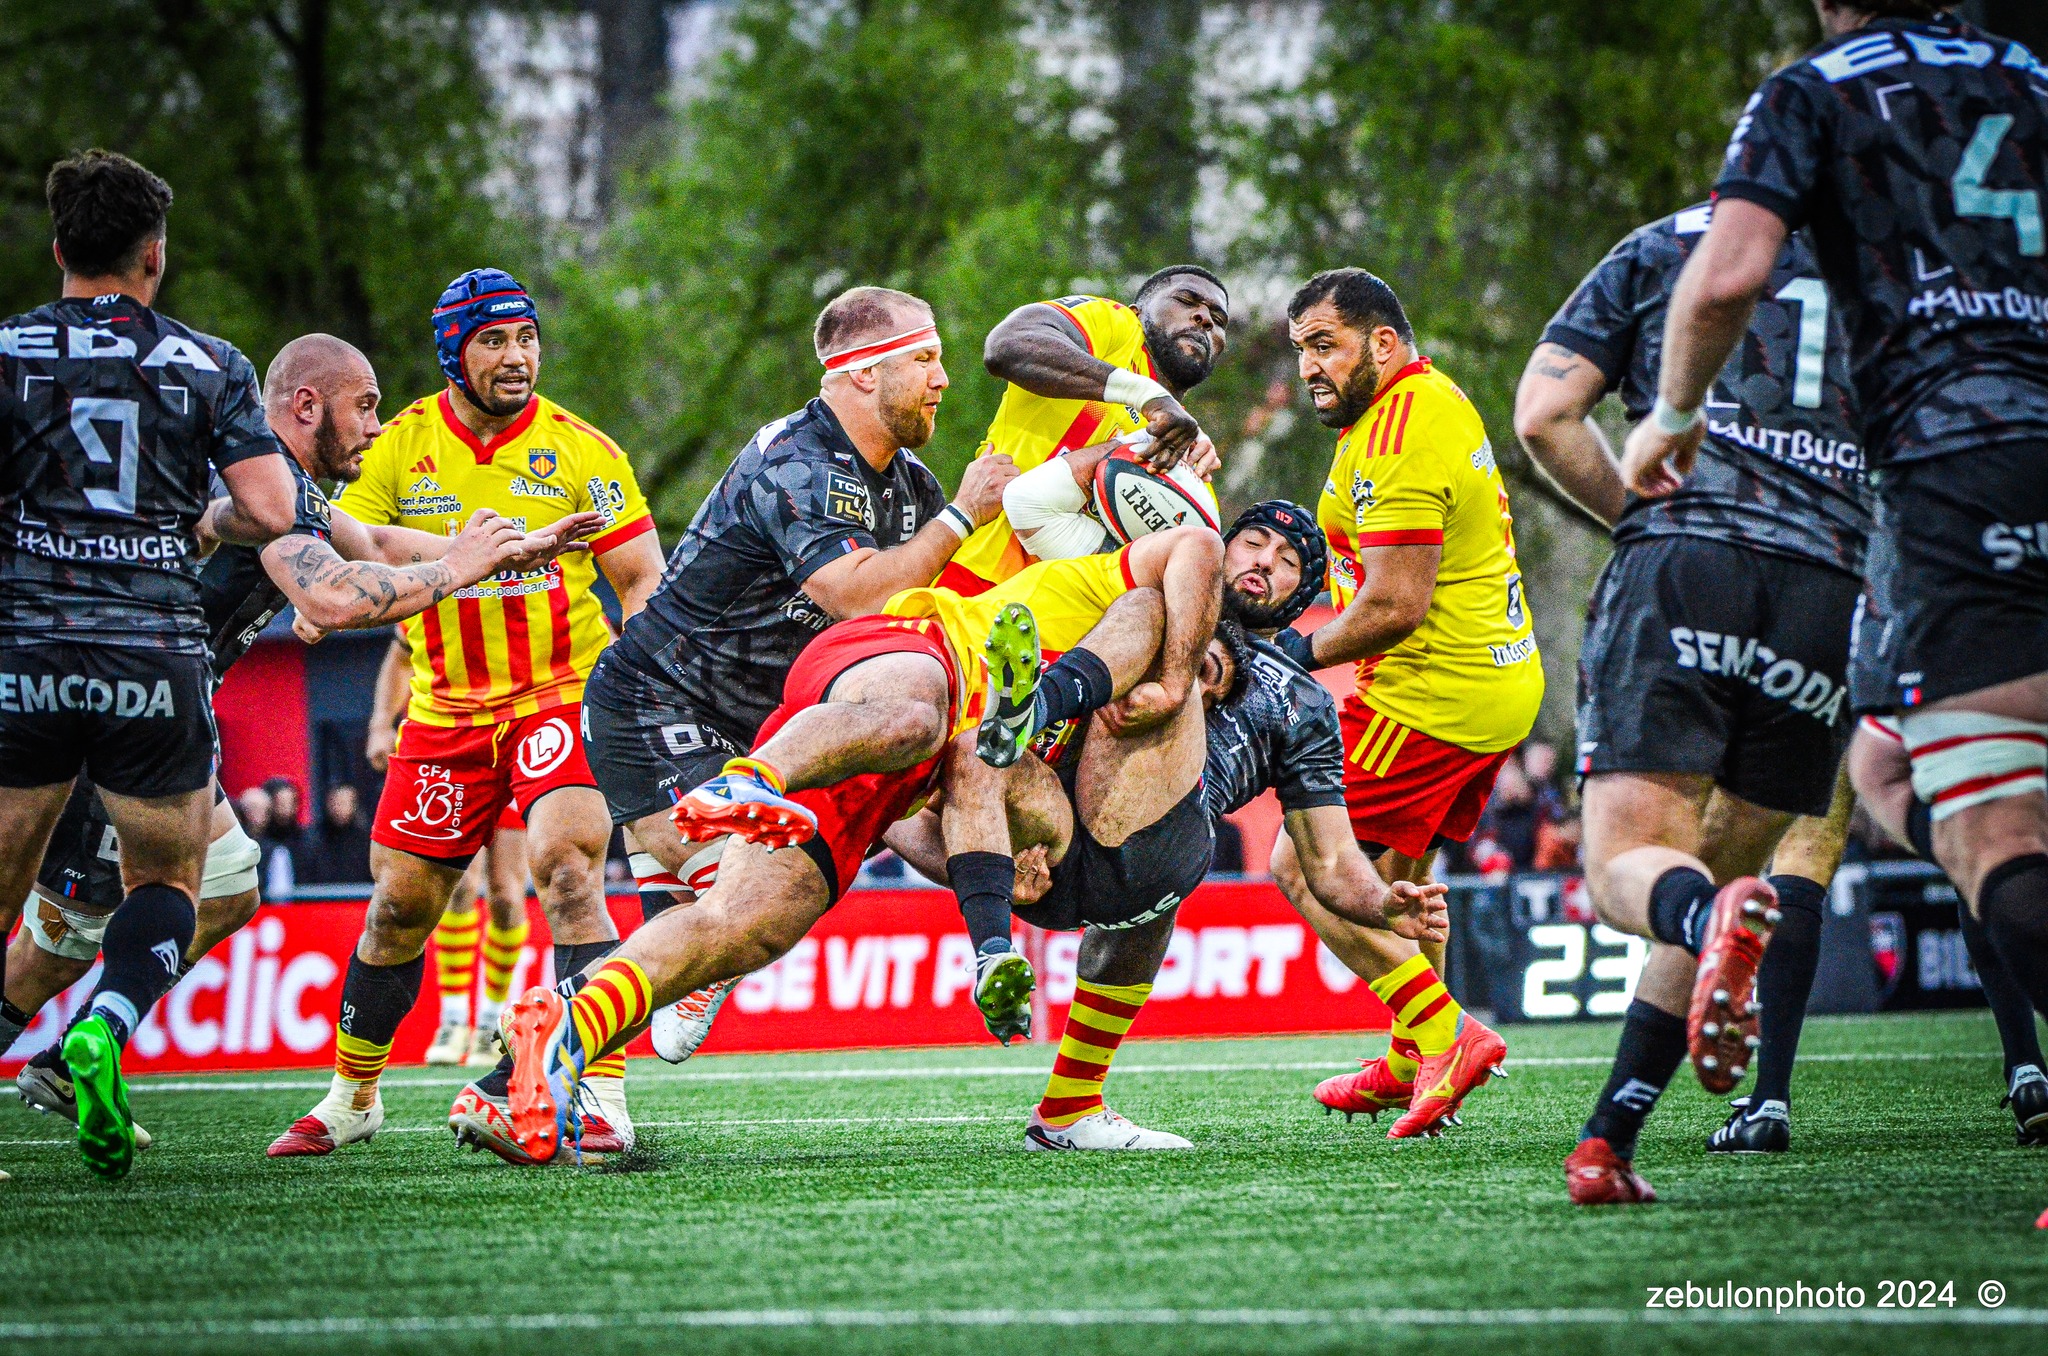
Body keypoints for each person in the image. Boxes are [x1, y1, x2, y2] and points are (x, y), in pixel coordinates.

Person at [1625, 2, 2048, 1201]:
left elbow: (1730, 271)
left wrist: (1668, 413)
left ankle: (1761, 1099)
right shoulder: (2028, 73)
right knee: (1878, 774)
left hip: (1949, 479)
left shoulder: (1813, 90)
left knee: (1942, 805)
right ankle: (2003, 1069)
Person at [5, 328, 581, 1165]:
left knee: (228, 885)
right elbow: (341, 591)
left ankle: (78, 1050)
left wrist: (502, 550)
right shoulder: (257, 489)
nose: (379, 427)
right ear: (305, 406)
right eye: (367, 406)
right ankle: (87, 1040)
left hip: (115, 704)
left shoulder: (273, 484)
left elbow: (374, 546)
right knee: (50, 952)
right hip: (125, 721)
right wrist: (457, 570)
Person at [502, 526, 1225, 1163]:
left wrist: (999, 882)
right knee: (920, 715)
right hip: (903, 662)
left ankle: (564, 1029)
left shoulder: (1044, 762)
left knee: (741, 928)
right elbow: (1195, 548)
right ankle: (751, 778)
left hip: (885, 781)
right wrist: (1171, 676)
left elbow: (932, 810)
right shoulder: (1102, 589)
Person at [891, 507, 1456, 1149]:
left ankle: (1034, 709)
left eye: (1287, 563)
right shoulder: (1145, 589)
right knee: (962, 764)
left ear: (1298, 598)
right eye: (1252, 543)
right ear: (1224, 548)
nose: (1263, 562)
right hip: (1054, 845)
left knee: (1153, 611)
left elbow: (1326, 862)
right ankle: (1019, 1001)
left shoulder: (1302, 700)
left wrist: (1381, 902)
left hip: (1158, 846)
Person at [1516, 195, 1872, 1201]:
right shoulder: (1885, 263)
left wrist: (1639, 521)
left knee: (1634, 866)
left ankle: (1696, 939)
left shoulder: (1659, 246)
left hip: (1685, 558)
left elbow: (1543, 417)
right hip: (1826, 587)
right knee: (1716, 874)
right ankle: (1605, 1145)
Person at [269, 269, 666, 1162]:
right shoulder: (400, 445)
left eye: (526, 338)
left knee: (567, 870)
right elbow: (351, 543)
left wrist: (644, 683)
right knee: (398, 911)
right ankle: (353, 1097)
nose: (517, 357)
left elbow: (641, 580)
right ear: (454, 352)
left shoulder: (583, 451)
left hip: (564, 691)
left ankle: (600, 1099)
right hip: (446, 709)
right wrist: (321, 588)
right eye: (494, 341)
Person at [577, 286, 1013, 1079]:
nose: (943, 378)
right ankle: (525, 1066)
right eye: (925, 359)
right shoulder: (795, 458)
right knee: (747, 916)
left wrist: (985, 863)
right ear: (859, 375)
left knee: (751, 907)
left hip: (780, 727)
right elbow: (852, 594)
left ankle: (579, 1083)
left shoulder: (909, 485)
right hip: (660, 701)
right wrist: (962, 517)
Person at [0, 149, 297, 1180]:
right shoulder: (209, 362)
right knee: (170, 881)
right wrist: (185, 516)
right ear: (153, 257)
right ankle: (105, 1022)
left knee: (6, 902)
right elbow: (269, 511)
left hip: (26, 649)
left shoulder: (6, 352)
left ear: (58, 251)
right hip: (151, 656)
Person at [1266, 269, 1530, 1122]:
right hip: (1493, 685)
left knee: (1305, 865)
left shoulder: (1396, 437)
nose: (1309, 367)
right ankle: (1417, 1059)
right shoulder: (1426, 397)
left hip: (1428, 696)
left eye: (1323, 344)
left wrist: (1286, 653)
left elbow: (1392, 606)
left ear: (1382, 342)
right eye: (1300, 348)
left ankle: (1443, 1031)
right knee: (1399, 884)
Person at [937, 268, 1230, 594]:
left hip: (1068, 623)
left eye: (1219, 320)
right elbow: (1009, 344)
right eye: (1187, 301)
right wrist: (1147, 396)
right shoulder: (1117, 326)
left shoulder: (1185, 446)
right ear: (1138, 311)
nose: (1204, 318)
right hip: (974, 581)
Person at [425, 811, 532, 1066]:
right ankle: (453, 1021)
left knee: (506, 898)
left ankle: (491, 1024)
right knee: (459, 886)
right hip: (469, 774)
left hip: (511, 777)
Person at [294, 783, 375, 886]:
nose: (339, 808)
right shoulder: (313, 838)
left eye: (344, 803)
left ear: (354, 805)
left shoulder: (365, 841)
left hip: (357, 899)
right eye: (336, 803)